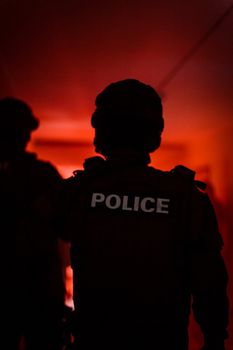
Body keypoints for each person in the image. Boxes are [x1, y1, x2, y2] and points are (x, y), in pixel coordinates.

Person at [59, 79, 229, 350]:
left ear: (100, 133)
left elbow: (29, 259)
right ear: (155, 134)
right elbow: (209, 282)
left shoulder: (75, 192)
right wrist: (215, 339)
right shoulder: (186, 197)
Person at [0, 97, 66, 350]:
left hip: (40, 291)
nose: (24, 137)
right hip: (38, 291)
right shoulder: (43, 174)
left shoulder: (43, 174)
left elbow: (66, 222)